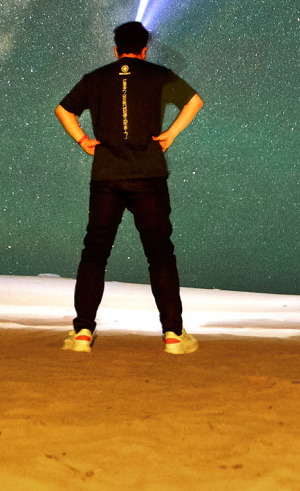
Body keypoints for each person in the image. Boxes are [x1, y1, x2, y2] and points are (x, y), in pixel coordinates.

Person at [55, 18, 203, 355]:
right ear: (145, 49)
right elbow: (194, 101)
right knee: (160, 253)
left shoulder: (96, 78)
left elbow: (63, 109)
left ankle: (82, 334)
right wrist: (170, 134)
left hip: (107, 175)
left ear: (116, 48)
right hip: (149, 175)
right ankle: (173, 335)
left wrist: (82, 139)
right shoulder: (159, 75)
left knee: (95, 253)